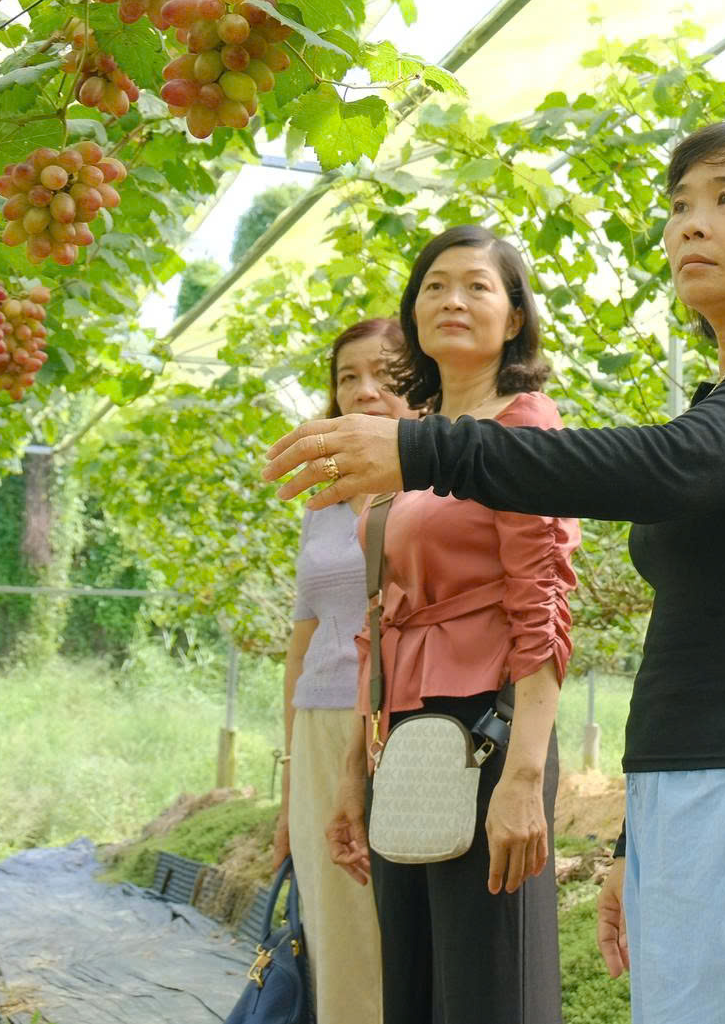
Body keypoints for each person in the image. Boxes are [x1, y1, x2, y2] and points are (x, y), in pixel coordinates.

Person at [267, 122, 725, 1024]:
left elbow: (673, 464)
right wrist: (628, 837)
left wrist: (423, 448)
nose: (692, 224)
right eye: (681, 205)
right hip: (694, 779)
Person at [323, 225, 581, 1024]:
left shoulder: (525, 423)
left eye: (477, 285)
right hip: (403, 731)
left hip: (489, 726)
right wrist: (353, 773)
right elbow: (380, 610)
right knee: (415, 989)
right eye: (435, 285)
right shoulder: (413, 439)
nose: (453, 300)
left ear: (514, 317)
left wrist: (525, 777)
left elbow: (541, 605)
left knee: (487, 991)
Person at [276, 318, 404, 1024]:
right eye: (348, 376)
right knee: (333, 926)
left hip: (402, 716)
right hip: (323, 722)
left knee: (392, 926)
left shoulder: (430, 482)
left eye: (385, 374)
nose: (365, 390)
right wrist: (291, 766)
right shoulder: (321, 497)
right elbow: (303, 640)